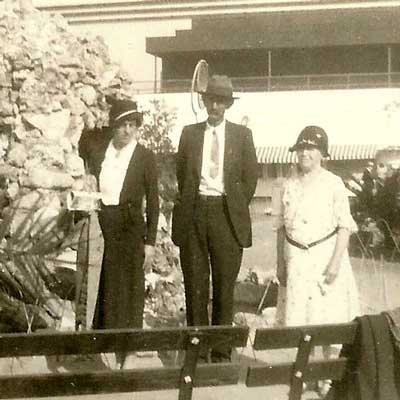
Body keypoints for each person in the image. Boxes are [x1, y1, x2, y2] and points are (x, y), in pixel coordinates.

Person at [172, 75, 258, 362]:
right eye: (211, 100)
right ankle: (197, 349)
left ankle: (221, 352)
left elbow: (250, 180)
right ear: (205, 101)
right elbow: (182, 173)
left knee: (224, 284)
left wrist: (231, 205)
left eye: (221, 101)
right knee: (195, 283)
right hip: (195, 212)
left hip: (226, 216)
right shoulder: (190, 133)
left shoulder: (242, 136)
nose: (215, 106)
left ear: (228, 105)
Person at [275, 125, 360, 395]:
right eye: (301, 148)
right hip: (296, 258)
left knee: (329, 318)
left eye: (311, 148)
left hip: (326, 258)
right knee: (303, 322)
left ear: (322, 153)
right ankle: (307, 373)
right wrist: (281, 264)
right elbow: (280, 228)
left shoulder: (333, 183)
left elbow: (344, 227)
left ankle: (327, 378)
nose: (305, 154)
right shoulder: (287, 184)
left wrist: (335, 262)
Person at [78, 98, 159, 368]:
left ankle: (131, 350)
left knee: (132, 288)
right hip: (106, 225)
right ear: (113, 126)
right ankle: (110, 346)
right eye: (122, 124)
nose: (127, 130)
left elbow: (155, 202)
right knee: (108, 286)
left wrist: (150, 243)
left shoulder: (144, 156)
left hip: (132, 226)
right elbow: (85, 141)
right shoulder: (103, 151)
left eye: (132, 125)